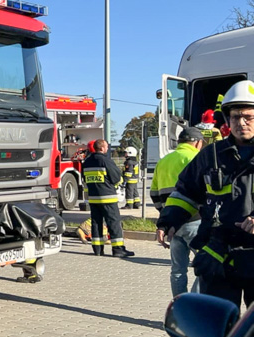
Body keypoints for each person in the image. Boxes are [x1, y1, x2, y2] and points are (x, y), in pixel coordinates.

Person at [157, 80, 254, 310]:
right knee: (219, 329)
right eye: (234, 117)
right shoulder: (211, 155)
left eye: (248, 117)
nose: (240, 123)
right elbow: (186, 191)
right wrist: (168, 220)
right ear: (227, 119)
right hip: (218, 257)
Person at [152, 127, 205, 296]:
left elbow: (154, 192)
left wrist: (166, 217)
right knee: (205, 266)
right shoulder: (197, 158)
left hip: (172, 224)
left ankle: (178, 307)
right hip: (194, 220)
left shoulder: (164, 160)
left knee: (177, 270)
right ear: (197, 142)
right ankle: (193, 306)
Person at [82, 139, 135, 257]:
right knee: (113, 222)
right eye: (106, 147)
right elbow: (116, 178)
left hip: (93, 198)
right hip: (107, 197)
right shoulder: (106, 161)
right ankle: (118, 249)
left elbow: (84, 179)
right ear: (101, 148)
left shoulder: (86, 162)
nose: (107, 149)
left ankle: (97, 249)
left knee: (96, 223)